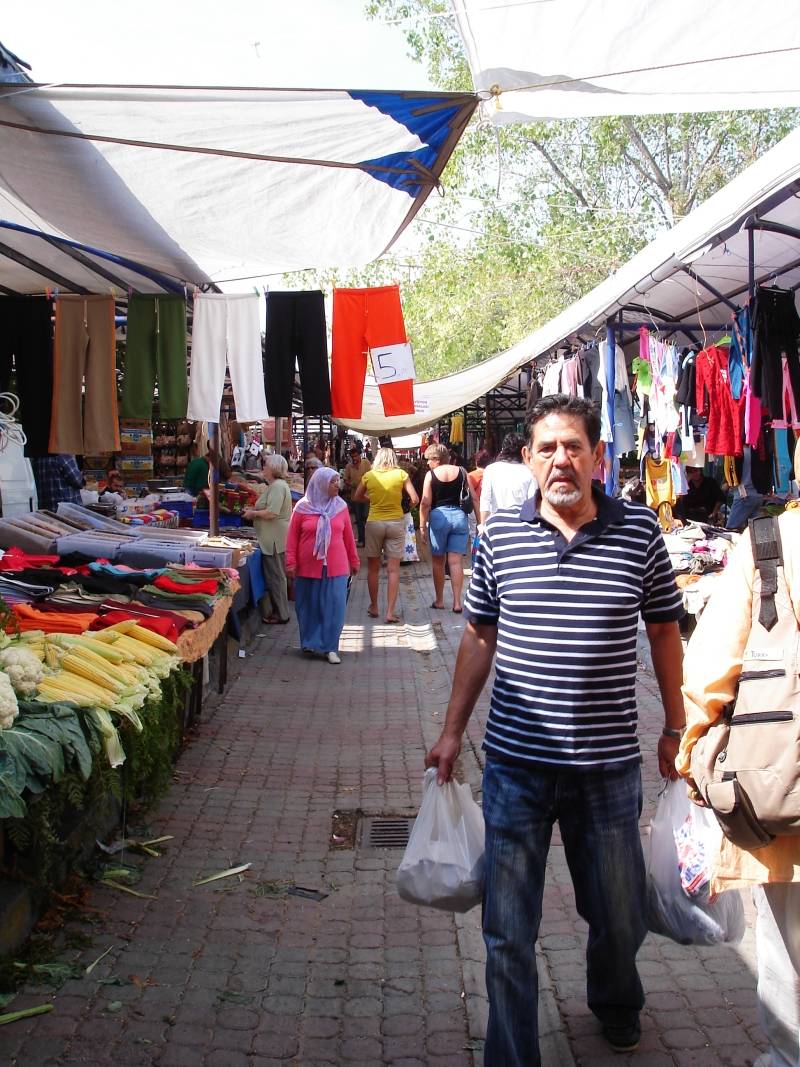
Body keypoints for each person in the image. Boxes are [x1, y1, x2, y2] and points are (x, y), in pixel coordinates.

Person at [425, 394, 685, 1065]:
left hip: (608, 768)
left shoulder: (639, 534)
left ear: (598, 456)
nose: (561, 459)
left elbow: (663, 629)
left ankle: (616, 995)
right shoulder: (502, 535)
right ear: (530, 459)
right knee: (508, 928)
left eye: (573, 446)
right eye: (547, 447)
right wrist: (452, 732)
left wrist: (677, 725)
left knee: (620, 912)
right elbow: (480, 634)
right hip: (516, 766)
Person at [678, 439, 800, 1067]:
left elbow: (710, 671)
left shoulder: (769, 543)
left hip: (782, 795)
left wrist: (693, 753)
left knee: (788, 951)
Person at [285, 467, 360, 664]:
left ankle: (330, 647)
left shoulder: (341, 507)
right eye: (333, 482)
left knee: (335, 606)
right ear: (321, 484)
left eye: (338, 481)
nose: (338, 485)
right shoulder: (302, 508)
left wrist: (354, 560)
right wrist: (290, 563)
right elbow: (292, 538)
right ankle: (309, 641)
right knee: (307, 606)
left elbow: (348, 537)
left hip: (337, 566)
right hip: (307, 565)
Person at [353, 447, 419, 623]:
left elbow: (356, 496)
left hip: (374, 522)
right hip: (396, 522)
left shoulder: (369, 476)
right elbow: (415, 499)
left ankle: (374, 606)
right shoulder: (401, 474)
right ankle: (390, 612)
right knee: (393, 569)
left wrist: (372, 500)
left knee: (373, 568)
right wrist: (405, 508)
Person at [418, 443, 469, 613]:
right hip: (460, 517)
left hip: (439, 517)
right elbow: (473, 498)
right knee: (456, 562)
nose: (427, 464)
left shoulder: (430, 475)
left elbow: (425, 502)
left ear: (436, 459)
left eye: (428, 460)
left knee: (439, 562)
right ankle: (457, 602)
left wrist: (422, 525)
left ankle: (439, 600)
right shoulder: (462, 471)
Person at [243, 453, 292, 625]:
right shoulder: (276, 486)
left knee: (275, 576)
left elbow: (272, 513)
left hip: (273, 538)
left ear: (273, 469)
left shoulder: (278, 486)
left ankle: (281, 613)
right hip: (272, 537)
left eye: (266, 465)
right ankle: (280, 611)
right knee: (275, 576)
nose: (263, 468)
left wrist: (253, 513)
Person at [479, 432, 536, 525]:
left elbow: (485, 501)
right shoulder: (529, 471)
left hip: (497, 524)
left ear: (503, 449)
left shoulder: (491, 469)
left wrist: (482, 525)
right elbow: (532, 501)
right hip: (521, 524)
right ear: (523, 451)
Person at [343, 444, 371, 547]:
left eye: (356, 456)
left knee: (367, 518)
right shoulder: (349, 466)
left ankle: (368, 540)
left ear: (359, 455)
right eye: (352, 457)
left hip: (367, 496)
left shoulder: (366, 463)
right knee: (359, 519)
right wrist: (351, 484)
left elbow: (371, 476)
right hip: (355, 496)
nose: (354, 458)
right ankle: (361, 539)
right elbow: (345, 479)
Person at [467, 449, 490, 515]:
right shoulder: (491, 475)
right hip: (487, 507)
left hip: (474, 509)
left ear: (476, 461)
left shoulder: (470, 476)